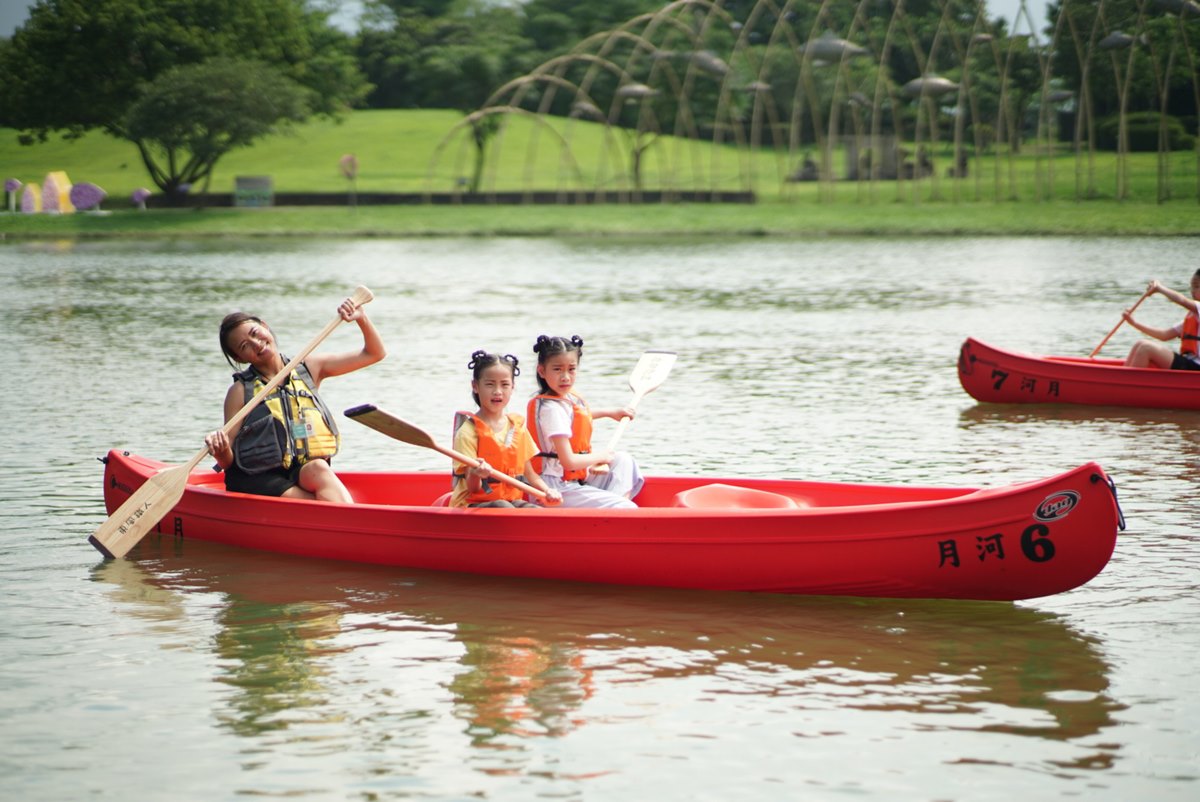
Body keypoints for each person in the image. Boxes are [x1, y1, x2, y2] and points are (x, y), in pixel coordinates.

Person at [203, 296, 386, 501]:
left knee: (319, 467)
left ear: (265, 326)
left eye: (255, 333)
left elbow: (374, 353)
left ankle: (347, 521)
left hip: (300, 469)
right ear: (239, 358)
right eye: (245, 346)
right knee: (313, 503)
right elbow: (228, 462)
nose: (257, 344)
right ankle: (348, 523)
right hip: (257, 477)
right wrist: (220, 450)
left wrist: (361, 318)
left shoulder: (308, 368)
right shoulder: (239, 391)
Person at [527, 334, 644, 509]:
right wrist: (601, 456)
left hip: (575, 479)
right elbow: (569, 462)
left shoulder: (566, 399)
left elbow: (577, 416)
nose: (565, 376)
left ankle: (611, 510)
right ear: (542, 371)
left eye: (571, 369)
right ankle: (616, 508)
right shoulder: (550, 409)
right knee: (627, 508)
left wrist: (610, 413)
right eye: (557, 369)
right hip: (554, 488)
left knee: (623, 460)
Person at [451, 351, 561, 508]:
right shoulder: (468, 432)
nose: (497, 391)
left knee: (535, 510)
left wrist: (548, 491)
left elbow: (530, 474)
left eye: (504, 384)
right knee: (503, 507)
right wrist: (476, 473)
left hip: (509, 501)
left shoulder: (518, 428)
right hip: (471, 505)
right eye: (490, 384)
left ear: (512, 387)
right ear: (475, 386)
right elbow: (473, 488)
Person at [1122, 272, 1200, 370]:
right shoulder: (1193, 317)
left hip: (1196, 367)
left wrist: (1159, 288)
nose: (1192, 291)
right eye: (1192, 287)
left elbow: (1182, 300)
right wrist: (1134, 323)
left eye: (1197, 287)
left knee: (1146, 348)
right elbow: (1164, 335)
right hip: (1189, 363)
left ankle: (1129, 383)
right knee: (1140, 344)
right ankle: (1122, 380)